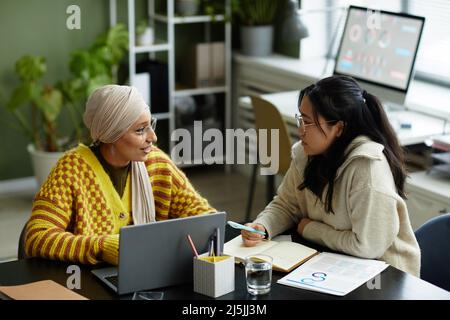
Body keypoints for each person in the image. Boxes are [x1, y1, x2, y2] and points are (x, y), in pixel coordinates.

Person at [241, 75, 420, 276]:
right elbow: (286, 205)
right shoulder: (306, 153)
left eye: (307, 122)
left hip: (385, 274)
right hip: (333, 260)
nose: (300, 130)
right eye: (300, 118)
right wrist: (263, 226)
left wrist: (310, 229)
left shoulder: (367, 168)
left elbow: (367, 247)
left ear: (339, 128)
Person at [24, 85, 215, 265]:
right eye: (140, 130)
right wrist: (101, 247)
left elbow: (203, 215)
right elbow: (37, 237)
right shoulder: (70, 170)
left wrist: (242, 233)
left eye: (151, 125)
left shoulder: (157, 163)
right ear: (111, 135)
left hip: (147, 276)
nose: (153, 138)